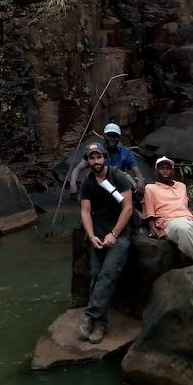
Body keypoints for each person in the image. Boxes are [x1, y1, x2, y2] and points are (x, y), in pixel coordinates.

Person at [78, 140, 133, 344]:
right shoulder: (87, 181)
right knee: (96, 275)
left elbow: (127, 208)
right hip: (99, 235)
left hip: (120, 234)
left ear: (104, 158)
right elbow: (85, 211)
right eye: (92, 158)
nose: (96, 161)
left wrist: (114, 233)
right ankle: (100, 323)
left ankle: (90, 317)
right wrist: (92, 236)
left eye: (98, 157)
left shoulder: (117, 176)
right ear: (88, 161)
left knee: (109, 272)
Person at [70, 122, 144, 198]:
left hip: (119, 185)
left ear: (119, 137)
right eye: (109, 136)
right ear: (104, 136)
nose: (112, 139)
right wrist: (72, 183)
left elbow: (137, 172)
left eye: (115, 136)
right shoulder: (97, 151)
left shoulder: (126, 153)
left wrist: (140, 180)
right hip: (99, 184)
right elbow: (78, 169)